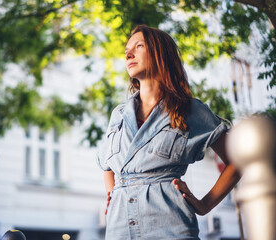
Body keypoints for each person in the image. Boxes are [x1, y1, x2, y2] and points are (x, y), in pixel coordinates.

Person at [97, 25, 241, 240]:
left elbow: (238, 161)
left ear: (160, 54)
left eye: (138, 46)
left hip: (170, 227)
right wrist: (113, 193)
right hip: (119, 229)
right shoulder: (118, 115)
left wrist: (204, 205)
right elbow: (105, 163)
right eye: (127, 50)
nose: (128, 54)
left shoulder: (190, 110)